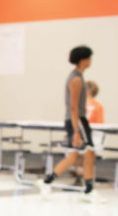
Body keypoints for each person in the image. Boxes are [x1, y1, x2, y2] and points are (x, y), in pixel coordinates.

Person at [41, 45, 98, 200]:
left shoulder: (78, 76)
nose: (91, 61)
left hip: (77, 120)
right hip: (77, 120)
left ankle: (47, 181)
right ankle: (89, 190)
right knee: (89, 153)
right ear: (83, 60)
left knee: (73, 156)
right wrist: (77, 130)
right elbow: (73, 106)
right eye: (89, 58)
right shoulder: (76, 79)